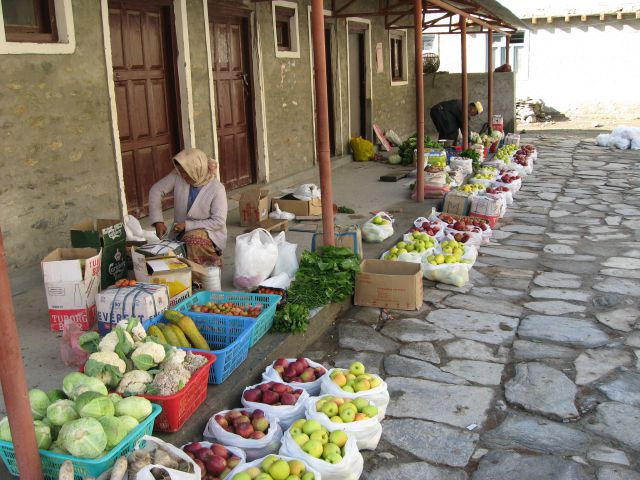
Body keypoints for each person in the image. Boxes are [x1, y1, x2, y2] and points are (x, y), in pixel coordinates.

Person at [149, 148, 227, 269]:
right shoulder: (178, 177)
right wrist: (158, 221)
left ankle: (204, 272)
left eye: (185, 172)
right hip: (180, 232)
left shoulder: (217, 189)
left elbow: (218, 221)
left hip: (210, 234)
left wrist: (187, 225)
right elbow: (156, 191)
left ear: (196, 169)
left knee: (192, 240)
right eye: (181, 172)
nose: (182, 176)